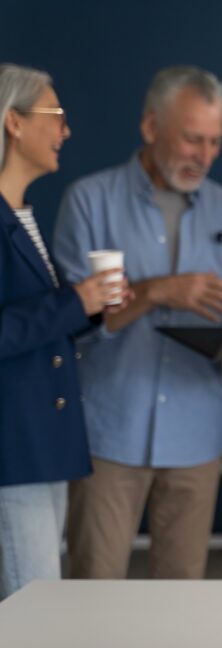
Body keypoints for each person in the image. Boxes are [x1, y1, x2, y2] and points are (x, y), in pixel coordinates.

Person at [51, 66, 222, 580]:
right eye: (192, 139)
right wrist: (162, 290)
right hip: (108, 432)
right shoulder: (88, 201)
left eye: (214, 141)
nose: (204, 156)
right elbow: (73, 320)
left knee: (180, 602)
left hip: (196, 437)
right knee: (93, 591)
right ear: (149, 128)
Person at [0, 64, 129, 599]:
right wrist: (74, 301)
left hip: (42, 449)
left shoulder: (23, 215)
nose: (66, 131)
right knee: (34, 613)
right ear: (13, 122)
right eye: (55, 116)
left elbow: (39, 327)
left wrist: (90, 309)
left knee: (36, 606)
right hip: (15, 449)